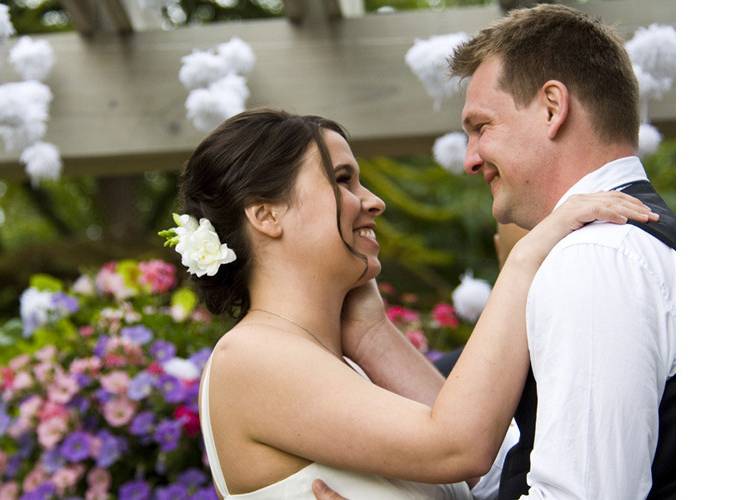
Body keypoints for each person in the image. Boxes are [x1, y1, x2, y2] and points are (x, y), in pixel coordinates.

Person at [169, 107, 657, 498]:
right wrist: (530, 253)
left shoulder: (330, 364)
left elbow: (492, 470)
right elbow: (458, 446)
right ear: (266, 214)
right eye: (342, 179)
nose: (374, 200)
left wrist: (373, 332)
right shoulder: (252, 358)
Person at [314, 4, 675, 500]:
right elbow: (517, 465)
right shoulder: (641, 244)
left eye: (482, 127)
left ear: (552, 107)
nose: (470, 159)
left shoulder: (596, 257)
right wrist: (372, 335)